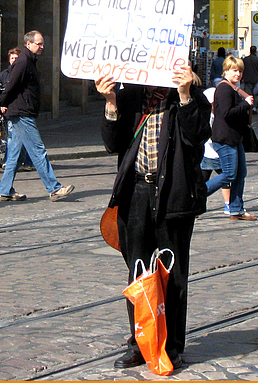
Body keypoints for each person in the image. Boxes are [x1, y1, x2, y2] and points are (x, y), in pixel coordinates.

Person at [95, 65, 210, 370]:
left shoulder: (191, 96)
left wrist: (185, 94)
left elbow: (195, 138)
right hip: (136, 194)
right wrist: (110, 103)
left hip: (173, 193)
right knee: (138, 270)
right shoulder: (130, 95)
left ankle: (172, 347)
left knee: (173, 274)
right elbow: (112, 144)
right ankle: (140, 344)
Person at [0, 31, 74, 202]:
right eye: (39, 44)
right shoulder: (23, 61)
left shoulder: (29, 60)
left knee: (15, 155)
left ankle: (5, 190)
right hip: (21, 112)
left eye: (42, 44)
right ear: (28, 44)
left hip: (23, 111)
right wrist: (2, 103)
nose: (42, 47)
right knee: (37, 150)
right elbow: (11, 85)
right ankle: (54, 188)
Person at [206, 56, 257, 220]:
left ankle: (236, 209)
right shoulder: (224, 89)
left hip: (235, 137)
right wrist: (245, 104)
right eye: (235, 70)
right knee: (229, 174)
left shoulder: (233, 88)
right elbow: (227, 113)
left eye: (240, 71)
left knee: (240, 173)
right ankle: (197, 195)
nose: (238, 74)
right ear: (226, 71)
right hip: (225, 138)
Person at [0, 48, 34, 171]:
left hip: (20, 109)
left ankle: (24, 161)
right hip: (9, 109)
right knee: (14, 136)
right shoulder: (4, 74)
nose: (14, 60)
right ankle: (11, 162)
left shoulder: (23, 72)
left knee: (20, 137)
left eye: (16, 58)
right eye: (12, 58)